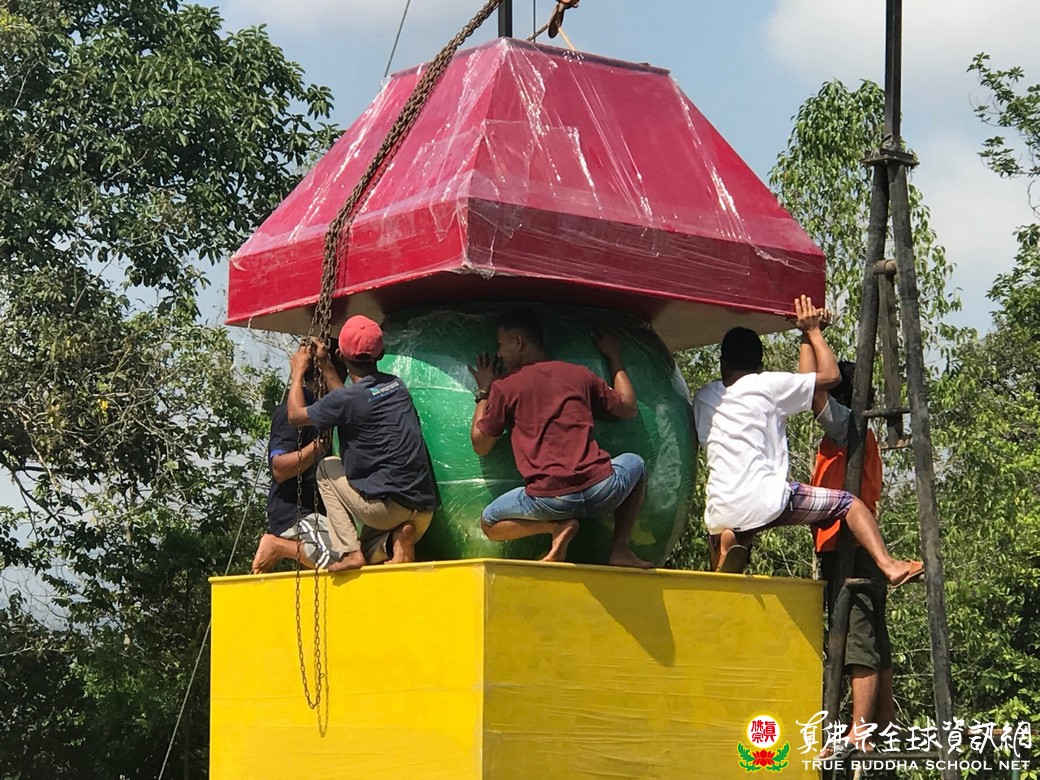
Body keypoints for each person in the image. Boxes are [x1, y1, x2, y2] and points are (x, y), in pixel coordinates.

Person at [692, 294, 922, 586]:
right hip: (769, 499)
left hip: (721, 507)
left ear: (722, 363)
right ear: (760, 365)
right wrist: (812, 332)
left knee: (739, 523)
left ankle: (726, 546)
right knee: (849, 504)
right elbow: (829, 377)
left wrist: (806, 335)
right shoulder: (766, 385)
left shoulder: (704, 398)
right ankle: (890, 566)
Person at [468, 309, 652, 568]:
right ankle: (620, 549)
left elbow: (481, 444)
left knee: (489, 521)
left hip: (550, 500)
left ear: (518, 342)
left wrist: (484, 391)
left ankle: (556, 528)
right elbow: (628, 407)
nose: (498, 354)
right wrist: (615, 357)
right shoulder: (579, 375)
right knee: (637, 463)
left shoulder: (505, 387)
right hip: (600, 490)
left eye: (500, 345)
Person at [287, 315, 437, 571]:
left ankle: (350, 552)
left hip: (387, 511)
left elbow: (295, 416)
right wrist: (325, 365)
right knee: (370, 547)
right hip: (423, 508)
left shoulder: (348, 401)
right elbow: (350, 401)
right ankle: (396, 541)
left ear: (340, 354)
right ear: (381, 354)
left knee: (326, 468)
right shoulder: (396, 386)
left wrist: (298, 372)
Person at [806, 358, 895, 756]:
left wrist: (810, 337)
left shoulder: (845, 427)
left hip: (851, 549)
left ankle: (861, 731)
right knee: (873, 638)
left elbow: (814, 392)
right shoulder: (857, 433)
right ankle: (882, 725)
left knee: (858, 640)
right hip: (857, 548)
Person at [251, 362, 344, 574]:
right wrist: (317, 447)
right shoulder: (292, 413)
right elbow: (279, 469)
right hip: (296, 513)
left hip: (324, 514)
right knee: (343, 557)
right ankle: (277, 546)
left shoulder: (328, 411)